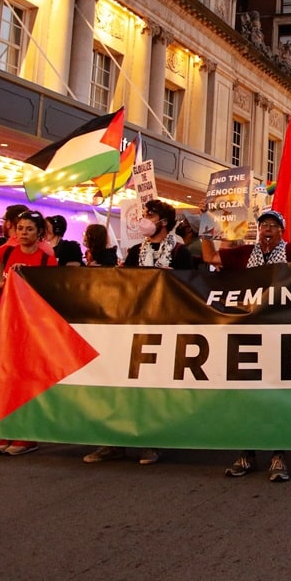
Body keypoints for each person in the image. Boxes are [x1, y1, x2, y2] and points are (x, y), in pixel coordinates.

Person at [202, 190, 291, 482]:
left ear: (282, 232)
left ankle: (279, 455)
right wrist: (207, 220)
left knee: (278, 395)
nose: (268, 230)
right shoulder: (242, 255)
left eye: (273, 226)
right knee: (247, 398)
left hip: (281, 335)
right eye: (264, 225)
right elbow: (208, 256)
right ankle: (247, 453)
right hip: (248, 337)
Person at [84, 200, 192, 467]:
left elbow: (193, 288)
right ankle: (113, 441)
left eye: (150, 215)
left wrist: (174, 279)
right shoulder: (134, 252)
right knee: (121, 386)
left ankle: (150, 441)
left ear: (163, 221)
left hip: (165, 328)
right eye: (144, 214)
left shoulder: (180, 253)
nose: (144, 218)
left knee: (152, 389)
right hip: (132, 327)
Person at [0, 210, 54, 456]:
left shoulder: (47, 259)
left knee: (28, 378)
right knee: (6, 378)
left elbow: (50, 293)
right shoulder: (2, 253)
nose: (23, 233)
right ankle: (6, 428)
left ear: (40, 234)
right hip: (8, 322)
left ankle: (27, 434)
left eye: (29, 229)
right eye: (20, 228)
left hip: (33, 326)